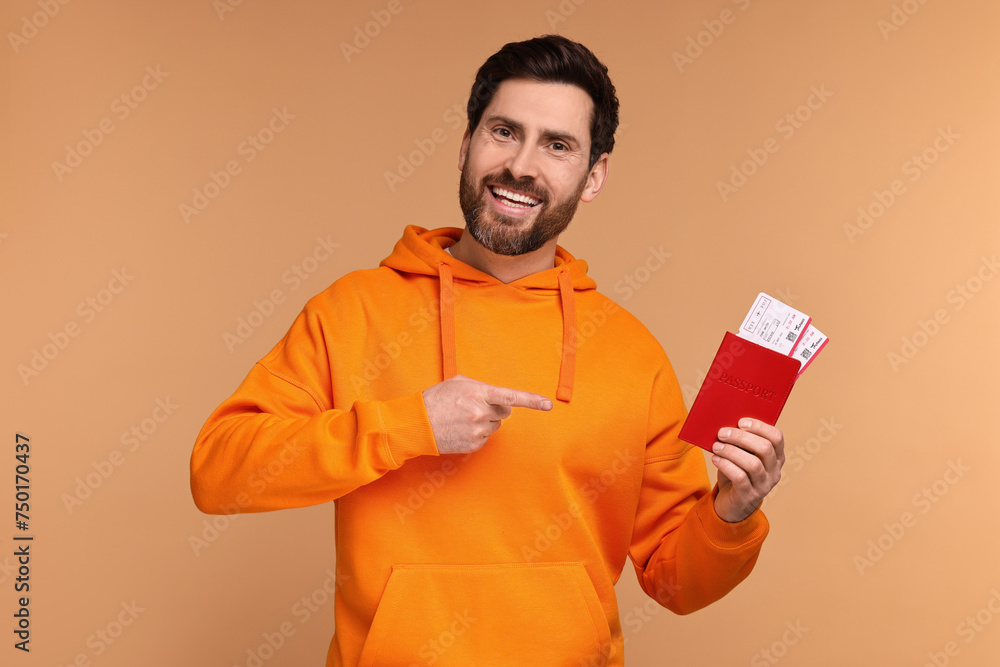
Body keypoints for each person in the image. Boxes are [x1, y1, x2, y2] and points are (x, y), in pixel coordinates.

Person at [190, 34, 785, 667]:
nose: (522, 166)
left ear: (594, 175)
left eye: (558, 146)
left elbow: (677, 583)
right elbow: (219, 473)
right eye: (504, 132)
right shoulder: (352, 311)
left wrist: (731, 515)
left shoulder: (634, 354)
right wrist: (408, 424)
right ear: (466, 145)